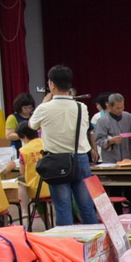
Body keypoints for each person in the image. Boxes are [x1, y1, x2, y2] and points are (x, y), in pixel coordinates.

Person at [28, 64, 99, 227]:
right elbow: (85, 128)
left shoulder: (44, 108)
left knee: (63, 207)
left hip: (56, 161)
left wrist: (45, 101)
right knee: (86, 206)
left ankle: (68, 245)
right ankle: (95, 243)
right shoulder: (82, 107)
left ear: (51, 84)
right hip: (81, 159)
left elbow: (32, 125)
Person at [95, 93, 131, 165]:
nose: (120, 110)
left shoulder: (129, 117)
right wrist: (110, 141)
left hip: (128, 158)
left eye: (122, 107)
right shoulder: (102, 121)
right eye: (117, 108)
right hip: (110, 160)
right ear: (109, 106)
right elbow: (99, 140)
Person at [16, 123, 49, 205]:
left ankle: (25, 213)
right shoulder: (47, 143)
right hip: (53, 185)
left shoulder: (23, 150)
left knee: (20, 182)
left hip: (36, 189)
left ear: (24, 136)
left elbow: (22, 172)